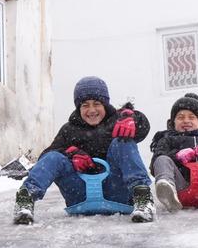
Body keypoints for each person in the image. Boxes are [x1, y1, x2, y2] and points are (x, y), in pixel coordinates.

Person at [13, 76, 155, 224]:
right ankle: (25, 199)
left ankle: (143, 198)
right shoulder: (69, 130)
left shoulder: (118, 121)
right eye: (85, 105)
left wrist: (133, 118)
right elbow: (47, 156)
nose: (91, 110)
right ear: (78, 107)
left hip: (116, 192)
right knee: (54, 157)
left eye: (97, 103)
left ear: (105, 105)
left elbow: (143, 128)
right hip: (80, 193)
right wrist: (70, 153)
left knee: (123, 141)